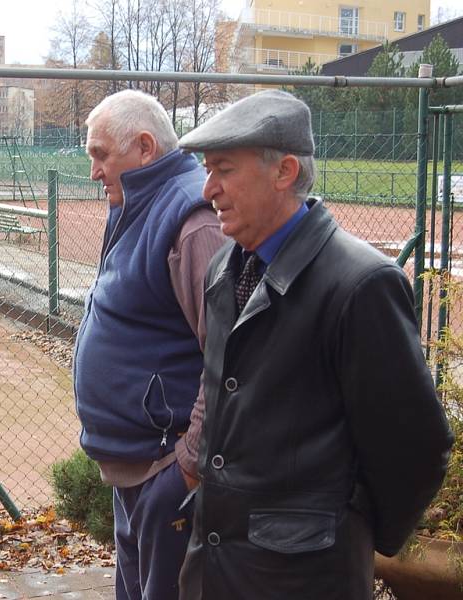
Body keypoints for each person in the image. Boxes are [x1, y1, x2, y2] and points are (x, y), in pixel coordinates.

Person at [176, 89, 453, 600]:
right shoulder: (225, 267)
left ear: (283, 172)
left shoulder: (360, 284)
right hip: (215, 566)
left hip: (304, 579)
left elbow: (417, 445)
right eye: (206, 169)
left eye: (223, 169)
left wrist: (350, 532)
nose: (208, 187)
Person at [73, 89, 225, 599]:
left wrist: (186, 467)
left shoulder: (191, 220)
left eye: (101, 154)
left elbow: (231, 361)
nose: (94, 170)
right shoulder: (136, 202)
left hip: (166, 469)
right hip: (138, 468)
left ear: (144, 147)